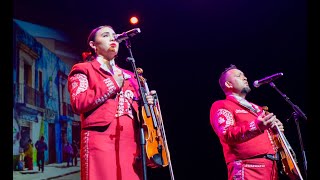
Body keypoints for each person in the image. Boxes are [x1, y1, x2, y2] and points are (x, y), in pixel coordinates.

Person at [67, 25, 154, 180]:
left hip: (132, 146)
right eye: (106, 35)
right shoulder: (83, 69)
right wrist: (112, 84)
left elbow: (141, 115)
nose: (113, 38)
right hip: (100, 142)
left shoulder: (130, 76)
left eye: (114, 35)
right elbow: (78, 102)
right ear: (93, 45)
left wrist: (147, 104)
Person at [209, 64, 285, 180]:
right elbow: (226, 134)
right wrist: (257, 125)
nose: (245, 78)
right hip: (248, 168)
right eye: (239, 76)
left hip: (271, 169)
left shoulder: (258, 108)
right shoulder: (222, 105)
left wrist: (275, 130)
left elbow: (266, 137)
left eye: (244, 75)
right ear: (228, 84)